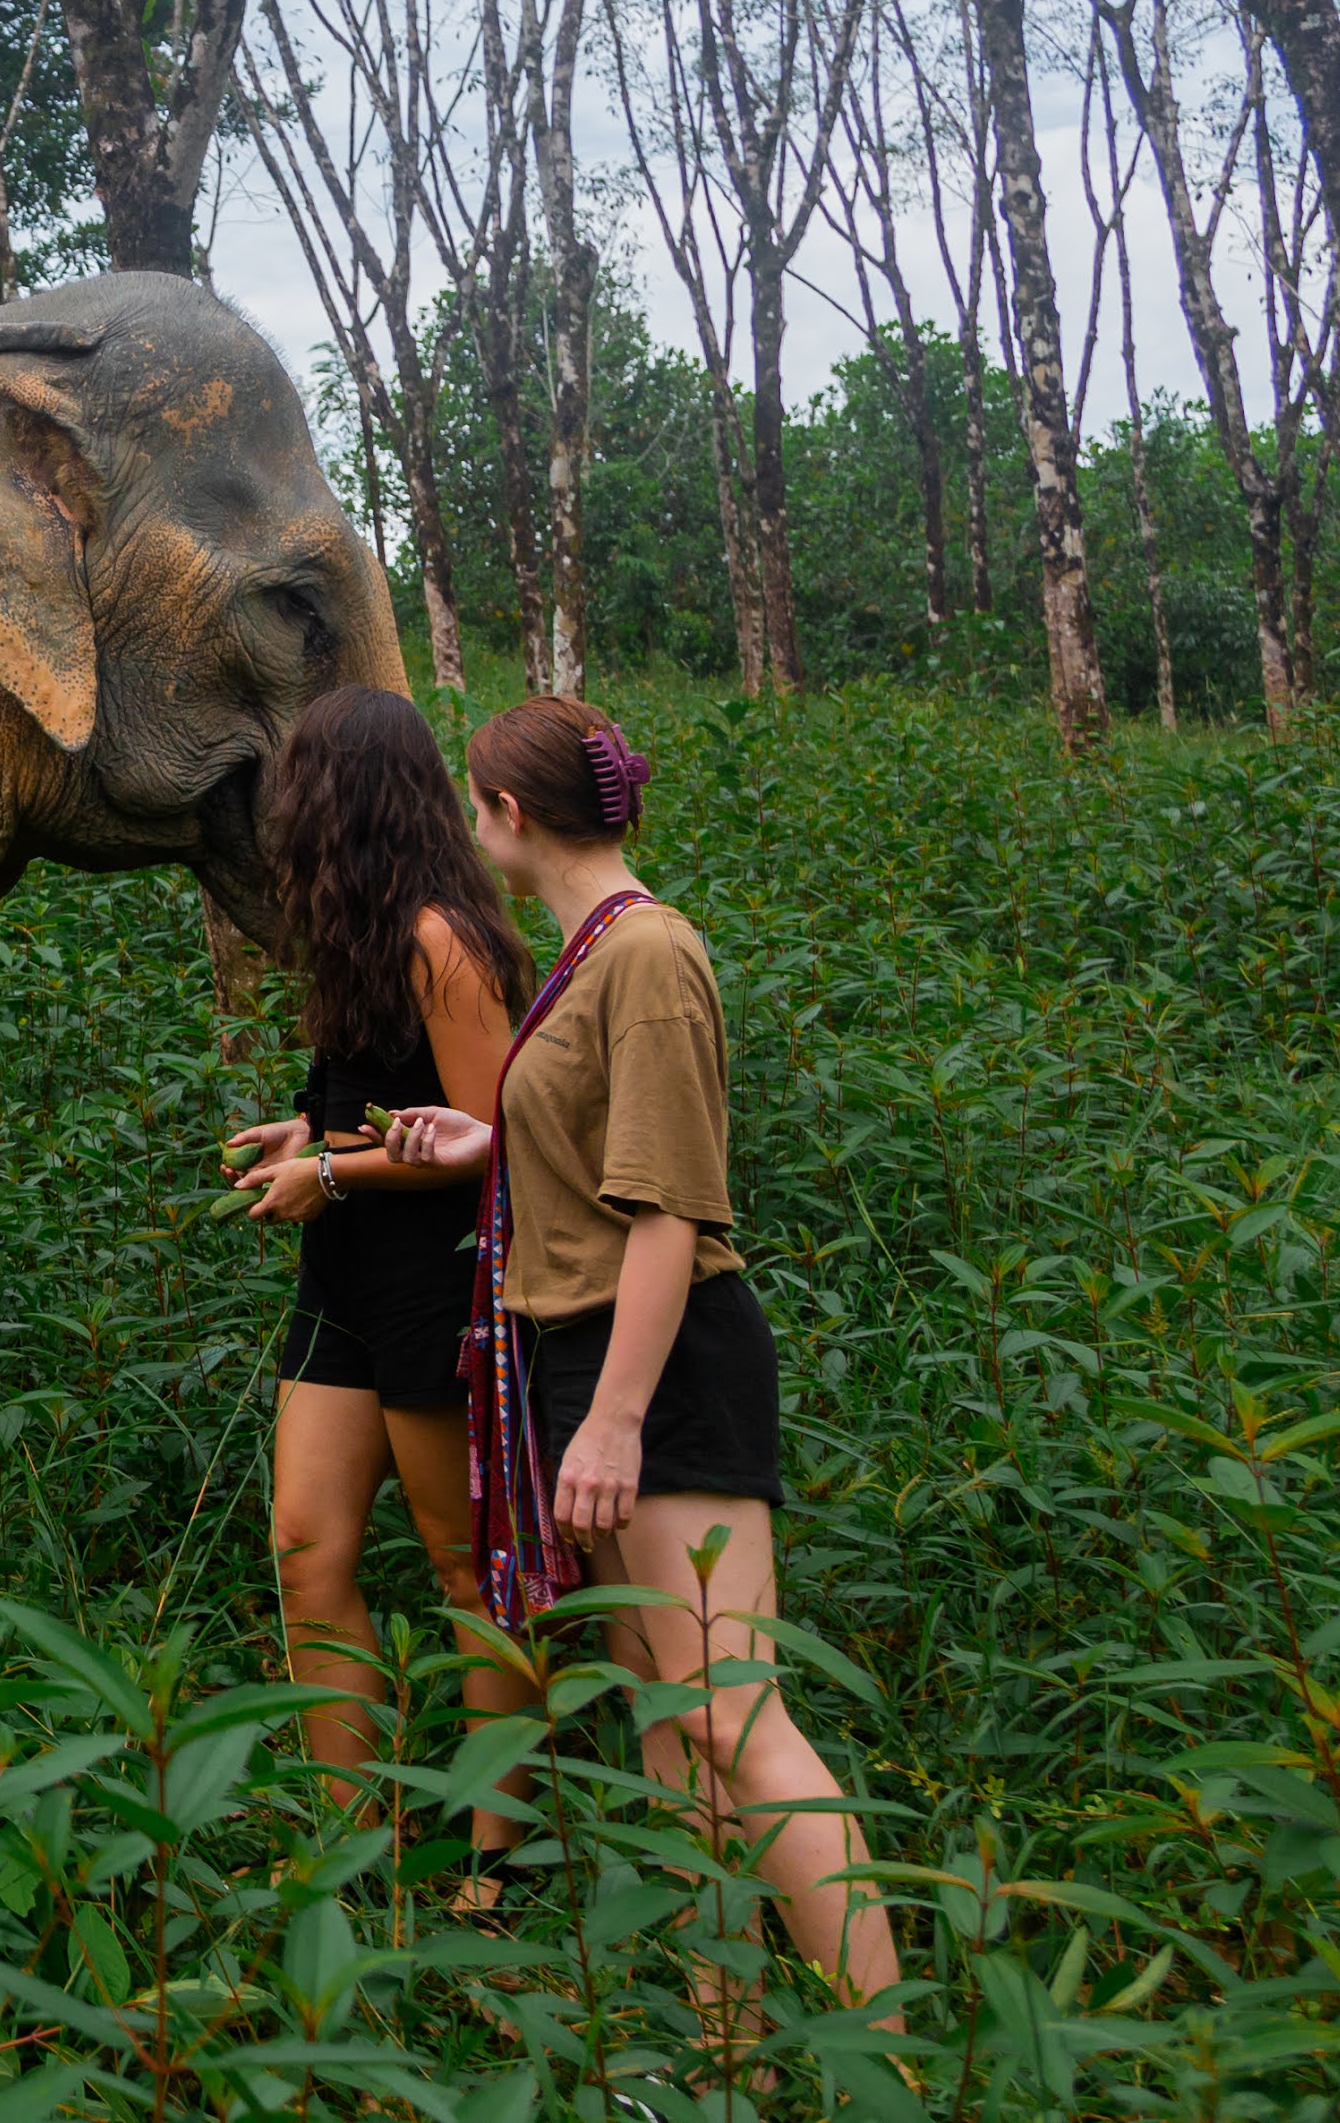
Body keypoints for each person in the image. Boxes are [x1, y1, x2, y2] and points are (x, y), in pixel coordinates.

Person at [374, 696, 897, 2004]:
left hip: (653, 1362)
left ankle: (884, 2050)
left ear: (506, 813)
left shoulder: (648, 953)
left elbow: (670, 1207)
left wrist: (611, 1417)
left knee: (728, 1711)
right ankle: (719, 2048)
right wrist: (489, 1145)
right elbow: (604, 1145)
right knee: (669, 1726)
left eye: (470, 796)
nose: (464, 815)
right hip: (579, 1351)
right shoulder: (589, 951)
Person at [223, 685, 540, 1868]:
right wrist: (294, 1134)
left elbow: (493, 1135)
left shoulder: (438, 940)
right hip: (339, 1278)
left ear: (345, 797)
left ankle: (496, 1856)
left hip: (432, 1284)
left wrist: (332, 1168)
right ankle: (355, 1838)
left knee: (463, 1567)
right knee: (306, 1552)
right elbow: (362, 1106)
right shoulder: (353, 926)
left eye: (299, 780)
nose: (282, 804)